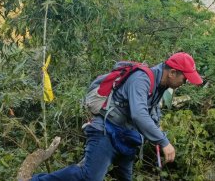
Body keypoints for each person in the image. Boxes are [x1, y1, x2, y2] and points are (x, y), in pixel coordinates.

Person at [31, 52, 203, 181]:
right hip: (106, 131)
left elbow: (151, 113)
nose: (185, 83)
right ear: (172, 73)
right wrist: (163, 142)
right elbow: (139, 114)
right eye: (185, 78)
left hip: (126, 137)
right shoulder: (141, 79)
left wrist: (157, 130)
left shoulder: (161, 86)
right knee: (89, 177)